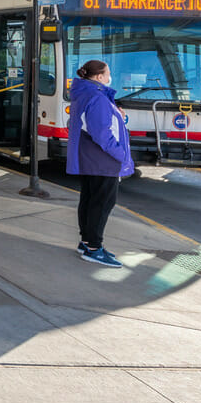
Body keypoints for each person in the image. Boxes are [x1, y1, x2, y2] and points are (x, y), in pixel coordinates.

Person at [65, 59, 134, 268]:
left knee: (89, 199)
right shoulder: (97, 98)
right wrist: (121, 154)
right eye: (108, 73)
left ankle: (86, 242)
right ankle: (94, 248)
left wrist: (119, 117)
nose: (110, 77)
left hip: (90, 158)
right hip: (102, 160)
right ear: (99, 77)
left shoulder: (85, 94)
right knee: (102, 202)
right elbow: (102, 134)